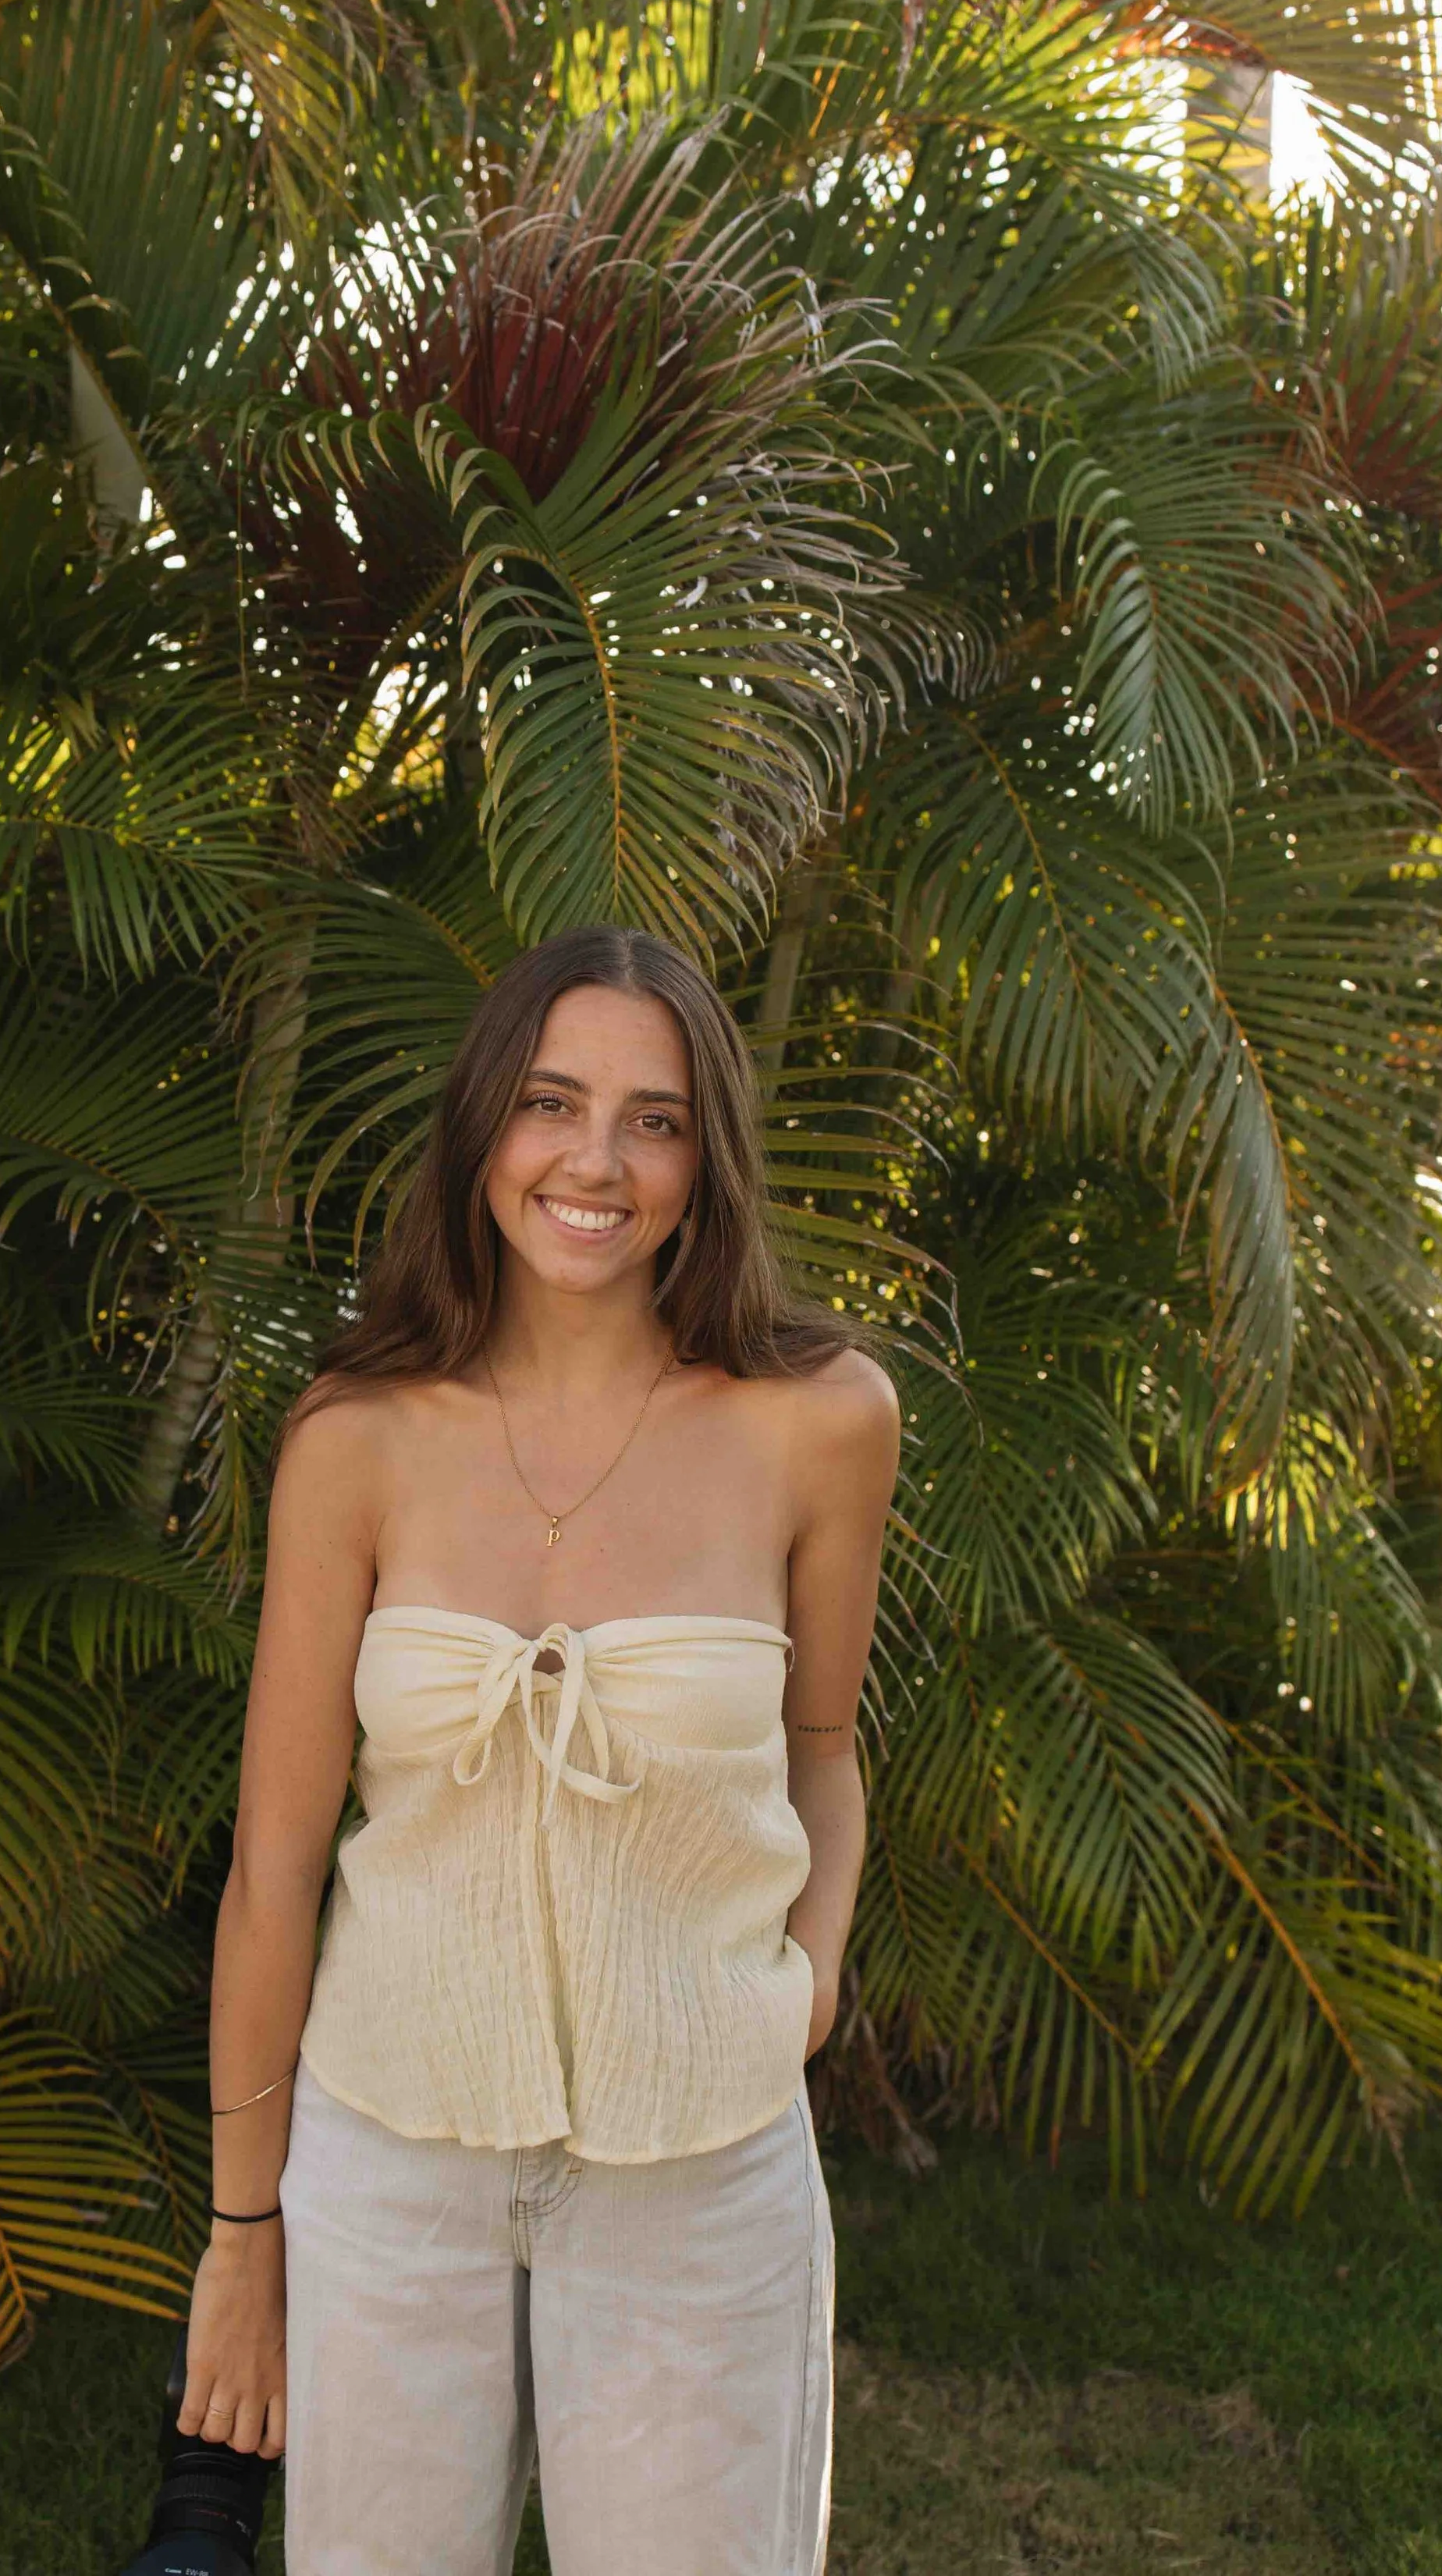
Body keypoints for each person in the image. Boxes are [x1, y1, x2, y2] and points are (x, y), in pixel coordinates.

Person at [179, 924, 900, 2574]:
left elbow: (822, 1747)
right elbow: (275, 1868)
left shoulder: (819, 1419)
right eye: (550, 1102)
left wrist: (812, 1979)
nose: (594, 1160)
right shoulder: (353, 1439)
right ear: (481, 1131)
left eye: (651, 1119)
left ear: (702, 1155)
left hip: (702, 2176)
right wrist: (243, 2231)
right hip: (388, 2164)